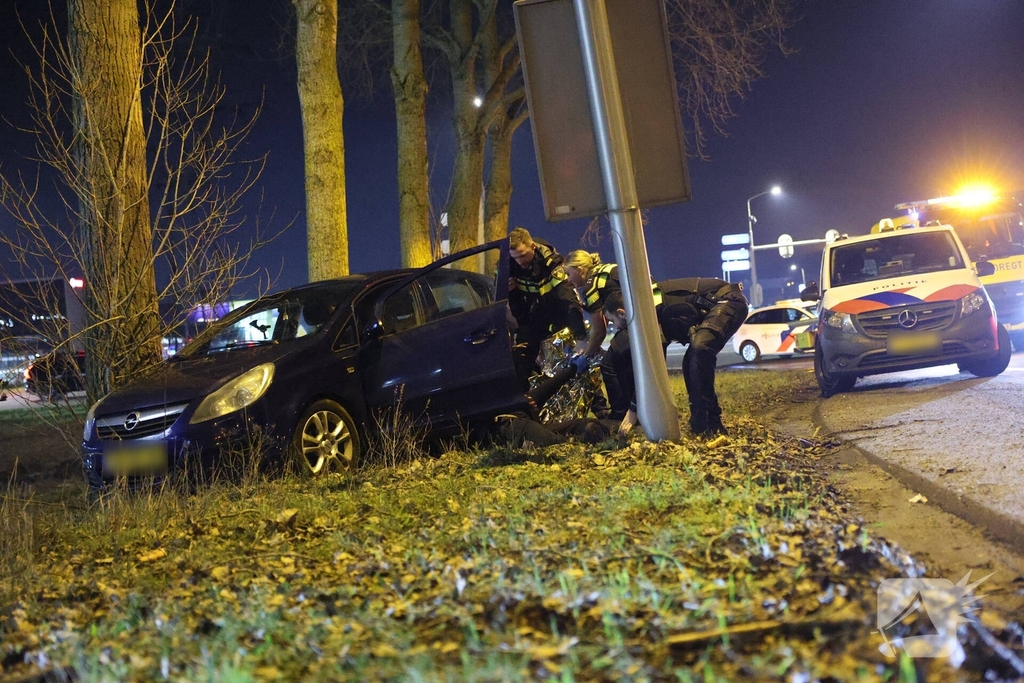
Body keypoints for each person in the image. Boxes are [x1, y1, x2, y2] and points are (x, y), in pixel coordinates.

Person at [603, 277, 748, 437]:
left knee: (700, 349)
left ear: (622, 313)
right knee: (690, 362)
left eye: (612, 321)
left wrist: (633, 411)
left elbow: (652, 370)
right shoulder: (645, 309)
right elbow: (655, 366)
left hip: (729, 300)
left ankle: (713, 424)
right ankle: (700, 425)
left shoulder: (647, 313)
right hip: (720, 302)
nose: (615, 326)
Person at [507, 227, 587, 387]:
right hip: (531, 319)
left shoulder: (552, 263)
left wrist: (580, 337)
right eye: (515, 257)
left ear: (533, 247)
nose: (520, 262)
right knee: (521, 364)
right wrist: (511, 291)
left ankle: (595, 402)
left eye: (523, 255)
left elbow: (567, 299)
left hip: (558, 317)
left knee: (572, 367)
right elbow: (511, 304)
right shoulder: (507, 266)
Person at [563, 250, 664, 358]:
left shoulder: (591, 286)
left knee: (611, 362)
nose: (568, 280)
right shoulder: (605, 271)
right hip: (659, 310)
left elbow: (599, 331)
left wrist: (585, 356)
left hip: (646, 320)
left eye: (569, 274)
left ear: (580, 270)